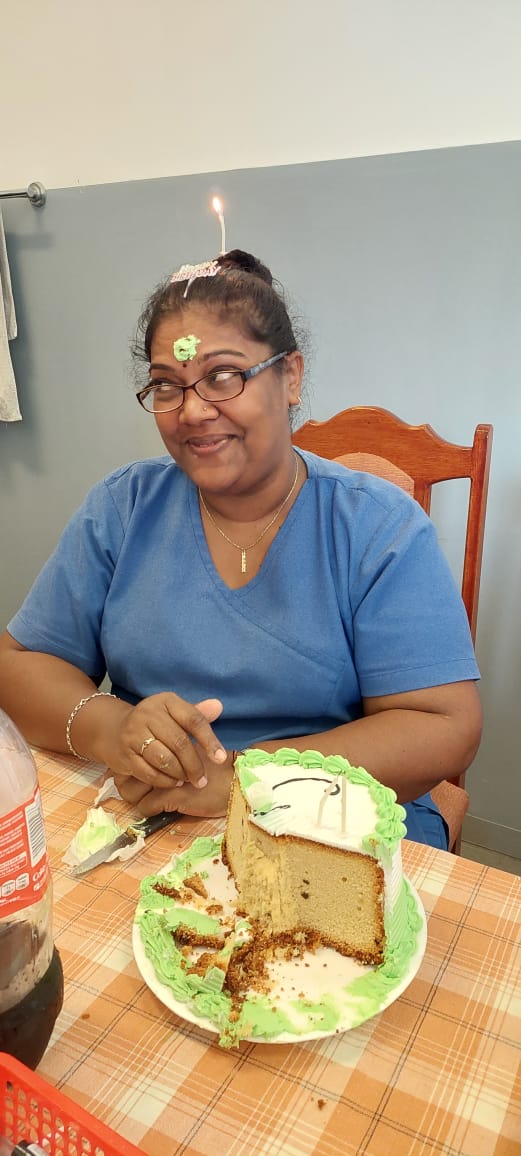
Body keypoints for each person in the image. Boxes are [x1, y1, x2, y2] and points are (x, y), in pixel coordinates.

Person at [0, 249, 482, 849]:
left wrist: (249, 779)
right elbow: (18, 664)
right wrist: (115, 728)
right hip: (151, 810)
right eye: (167, 384)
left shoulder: (376, 528)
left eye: (224, 376)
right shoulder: (124, 508)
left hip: (333, 823)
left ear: (291, 376)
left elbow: (444, 726)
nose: (193, 410)